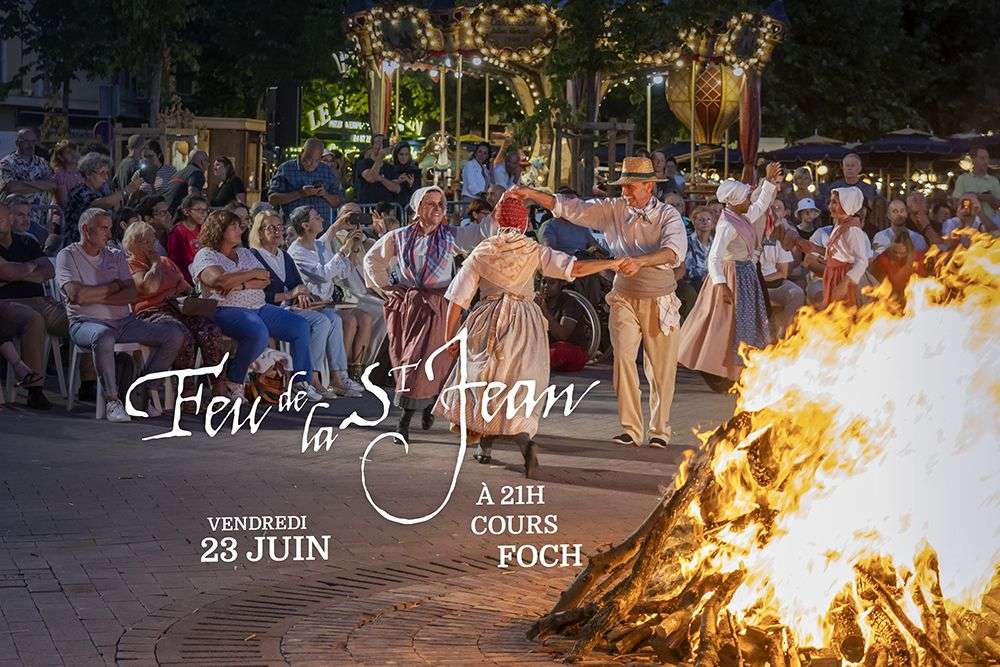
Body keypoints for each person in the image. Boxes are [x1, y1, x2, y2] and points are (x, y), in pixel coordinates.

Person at [435, 194, 623, 475]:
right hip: (525, 322)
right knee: (519, 385)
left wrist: (450, 338)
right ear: (523, 224)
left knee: (484, 380)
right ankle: (524, 443)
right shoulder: (531, 249)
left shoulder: (482, 251)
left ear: (497, 221)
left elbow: (457, 300)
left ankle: (484, 446)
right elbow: (574, 267)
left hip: (488, 319)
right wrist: (609, 264)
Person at [509, 155, 688, 448]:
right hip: (624, 294)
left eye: (630, 187)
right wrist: (531, 194)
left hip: (659, 297)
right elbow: (571, 207)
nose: (624, 192)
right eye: (623, 187)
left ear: (648, 187)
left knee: (661, 367)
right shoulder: (612, 208)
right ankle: (631, 429)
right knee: (623, 360)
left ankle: (660, 430)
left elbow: (673, 252)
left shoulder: (669, 215)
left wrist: (641, 262)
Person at [364, 185, 494, 440]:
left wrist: (502, 206)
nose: (437, 209)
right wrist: (387, 287)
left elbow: (481, 232)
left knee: (435, 360)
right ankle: (407, 417)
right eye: (430, 204)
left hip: (440, 306)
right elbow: (372, 259)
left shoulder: (450, 235)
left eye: (440, 204)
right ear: (417, 208)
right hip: (411, 306)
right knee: (409, 360)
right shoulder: (399, 237)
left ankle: (419, 412)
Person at [55, 208, 184, 422]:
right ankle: (112, 401)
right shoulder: (67, 256)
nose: (109, 233)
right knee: (103, 335)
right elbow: (76, 295)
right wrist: (114, 286)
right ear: (86, 230)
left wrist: (94, 294)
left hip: (124, 322)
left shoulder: (115, 255)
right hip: (85, 323)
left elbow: (132, 293)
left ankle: (143, 390)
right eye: (104, 228)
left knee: (174, 334)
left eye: (110, 228)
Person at [189, 210, 318, 401]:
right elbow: (219, 280)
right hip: (225, 308)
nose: (239, 229)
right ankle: (234, 380)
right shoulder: (207, 255)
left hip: (259, 306)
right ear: (219, 230)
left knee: (299, 326)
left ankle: (300, 382)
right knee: (257, 332)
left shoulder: (244, 252)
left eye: (239, 225)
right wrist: (250, 274)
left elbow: (264, 278)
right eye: (233, 226)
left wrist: (240, 283)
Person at [678, 166, 781, 386]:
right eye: (745, 198)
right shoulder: (726, 224)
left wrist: (770, 182)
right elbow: (713, 258)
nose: (748, 201)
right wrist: (722, 285)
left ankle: (740, 368)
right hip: (731, 274)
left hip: (744, 273)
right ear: (733, 201)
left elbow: (760, 206)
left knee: (743, 322)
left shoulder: (739, 216)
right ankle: (721, 369)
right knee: (725, 323)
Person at [251, 208, 363, 398]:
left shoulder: (283, 255)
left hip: (291, 307)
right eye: (271, 228)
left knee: (333, 319)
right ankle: (310, 378)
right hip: (271, 309)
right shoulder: (254, 256)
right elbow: (259, 294)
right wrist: (290, 295)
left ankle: (337, 376)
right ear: (259, 231)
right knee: (321, 322)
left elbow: (297, 283)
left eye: (279, 227)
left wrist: (301, 293)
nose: (278, 231)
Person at [123, 221, 228, 398]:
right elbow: (149, 288)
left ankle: (219, 384)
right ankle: (186, 392)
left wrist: (195, 294)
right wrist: (155, 264)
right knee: (183, 335)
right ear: (132, 244)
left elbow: (186, 287)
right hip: (151, 312)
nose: (151, 246)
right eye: (145, 242)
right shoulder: (131, 266)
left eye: (152, 241)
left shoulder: (166, 262)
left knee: (210, 330)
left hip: (178, 308)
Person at [787, 187, 871, 307]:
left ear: (846, 204)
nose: (830, 206)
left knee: (843, 312)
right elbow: (841, 253)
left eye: (835, 202)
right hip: (832, 274)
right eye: (830, 202)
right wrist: (815, 249)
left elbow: (862, 261)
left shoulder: (852, 230)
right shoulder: (840, 224)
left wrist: (844, 284)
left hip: (842, 276)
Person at [62, 152, 143, 248]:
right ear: (88, 174)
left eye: (107, 173)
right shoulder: (79, 192)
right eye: (102, 173)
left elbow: (116, 209)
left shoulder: (102, 191)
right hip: (79, 244)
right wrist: (127, 190)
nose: (106, 177)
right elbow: (101, 204)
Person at [268, 138, 343, 225]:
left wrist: (325, 194)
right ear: (302, 152)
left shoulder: (326, 171)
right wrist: (300, 193)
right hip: (295, 230)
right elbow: (272, 199)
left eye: (317, 161)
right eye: (308, 159)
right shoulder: (286, 169)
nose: (312, 164)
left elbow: (337, 202)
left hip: (321, 231)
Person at [0, 128, 56, 235]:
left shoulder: (42, 162)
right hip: (14, 223)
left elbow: (52, 184)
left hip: (40, 220)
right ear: (17, 143)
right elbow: (12, 187)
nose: (30, 145)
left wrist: (23, 183)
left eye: (33, 141)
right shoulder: (6, 163)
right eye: (26, 141)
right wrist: (41, 184)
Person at [540, 277, 593, 373]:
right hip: (550, 347)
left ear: (561, 284)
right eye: (544, 282)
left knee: (558, 352)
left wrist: (545, 312)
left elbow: (563, 335)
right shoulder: (543, 302)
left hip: (572, 349)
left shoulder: (570, 303)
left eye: (551, 283)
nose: (546, 286)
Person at [676, 205, 715, 318]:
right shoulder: (686, 241)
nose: (705, 222)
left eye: (708, 219)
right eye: (701, 219)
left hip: (710, 282)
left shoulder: (716, 243)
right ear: (693, 221)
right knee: (692, 292)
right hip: (689, 281)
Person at [869, 228, 924, 302]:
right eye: (895, 252)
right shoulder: (882, 259)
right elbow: (876, 285)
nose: (898, 256)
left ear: (909, 250)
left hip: (913, 300)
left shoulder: (918, 260)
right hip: (889, 300)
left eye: (902, 253)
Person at [166, 193, 208, 282]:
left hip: (203, 273)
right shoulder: (177, 232)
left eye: (205, 210)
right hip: (187, 278)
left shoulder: (202, 228)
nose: (204, 214)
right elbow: (175, 262)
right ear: (186, 211)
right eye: (199, 210)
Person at [952, 147, 1000, 223]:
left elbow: (998, 205)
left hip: (990, 224)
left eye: (987, 158)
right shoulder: (963, 179)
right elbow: (955, 203)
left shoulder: (994, 181)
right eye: (982, 158)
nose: (986, 161)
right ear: (973, 160)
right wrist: (974, 198)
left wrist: (991, 199)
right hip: (969, 224)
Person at [385, 142, 420, 210]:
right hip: (393, 206)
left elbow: (417, 190)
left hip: (409, 206)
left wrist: (411, 183)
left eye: (406, 154)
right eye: (401, 154)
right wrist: (396, 181)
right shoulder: (390, 169)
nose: (404, 157)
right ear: (396, 155)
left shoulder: (414, 170)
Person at [50, 140, 82, 210]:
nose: (74, 154)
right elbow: (64, 203)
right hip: (64, 215)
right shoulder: (60, 175)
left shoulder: (82, 173)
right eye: (68, 152)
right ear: (60, 157)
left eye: (75, 151)